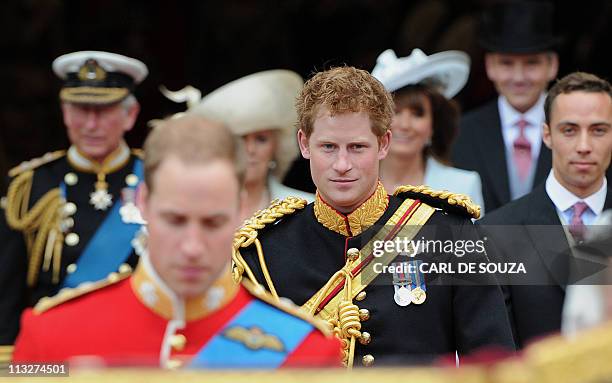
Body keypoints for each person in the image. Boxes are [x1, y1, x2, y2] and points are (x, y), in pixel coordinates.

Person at [233, 66, 515, 368]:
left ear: (383, 144)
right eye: (328, 147)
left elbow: (494, 367)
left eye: (357, 147)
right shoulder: (262, 251)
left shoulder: (448, 234)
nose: (342, 164)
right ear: (304, 144)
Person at [12, 115, 341, 368]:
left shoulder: (307, 350)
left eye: (212, 223)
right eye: (175, 220)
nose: (192, 247)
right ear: (141, 202)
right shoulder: (50, 335)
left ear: (240, 207)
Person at [0, 51, 148, 358]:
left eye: (104, 110)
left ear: (130, 114)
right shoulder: (30, 187)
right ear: (65, 113)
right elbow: (7, 293)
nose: (91, 124)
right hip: (53, 356)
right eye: (81, 109)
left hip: (135, 354)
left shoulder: (158, 180)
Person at [480, 72, 612, 349]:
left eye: (598, 130)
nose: (584, 146)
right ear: (547, 134)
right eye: (569, 130)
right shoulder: (496, 233)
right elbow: (497, 349)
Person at [160, 70, 313, 220]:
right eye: (240, 138)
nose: (250, 149)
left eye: (261, 139)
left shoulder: (305, 210)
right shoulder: (189, 207)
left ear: (276, 147)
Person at [452, 1, 560, 213]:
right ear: (489, 66)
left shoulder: (579, 129)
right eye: (506, 63)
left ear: (552, 65)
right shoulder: (462, 132)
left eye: (531, 63)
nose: (518, 78)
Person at [372, 48, 485, 214]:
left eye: (417, 114)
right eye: (394, 112)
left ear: (433, 126)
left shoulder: (463, 186)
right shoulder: (347, 184)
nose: (404, 125)